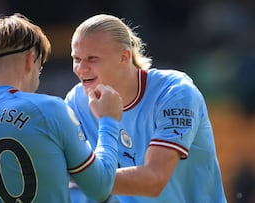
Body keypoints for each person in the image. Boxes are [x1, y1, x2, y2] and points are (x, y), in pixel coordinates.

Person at [0, 13, 124, 203]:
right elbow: (100, 188)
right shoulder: (50, 110)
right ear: (30, 60)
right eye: (40, 67)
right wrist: (108, 120)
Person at [65, 14, 227, 202]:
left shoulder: (175, 92)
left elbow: (154, 180)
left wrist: (85, 176)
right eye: (76, 59)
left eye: (92, 58)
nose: (81, 68)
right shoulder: (76, 102)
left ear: (124, 57)